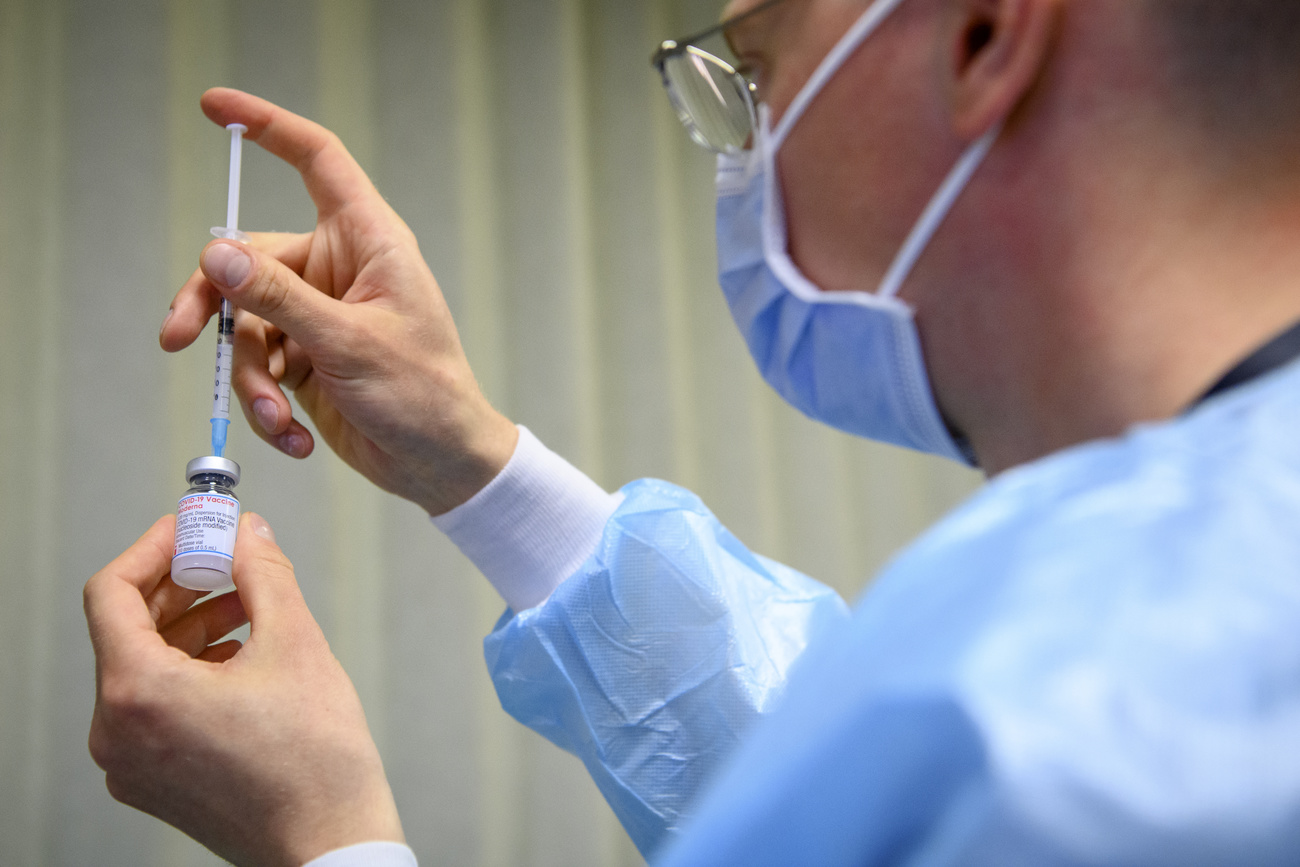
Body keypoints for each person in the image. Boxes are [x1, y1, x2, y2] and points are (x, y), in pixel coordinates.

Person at [84, 0, 1300, 864]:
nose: (746, 156)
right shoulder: (1182, 593)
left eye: (758, 69)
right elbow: (829, 791)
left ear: (983, 36)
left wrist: (322, 840)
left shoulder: (1143, 691)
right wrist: (473, 464)